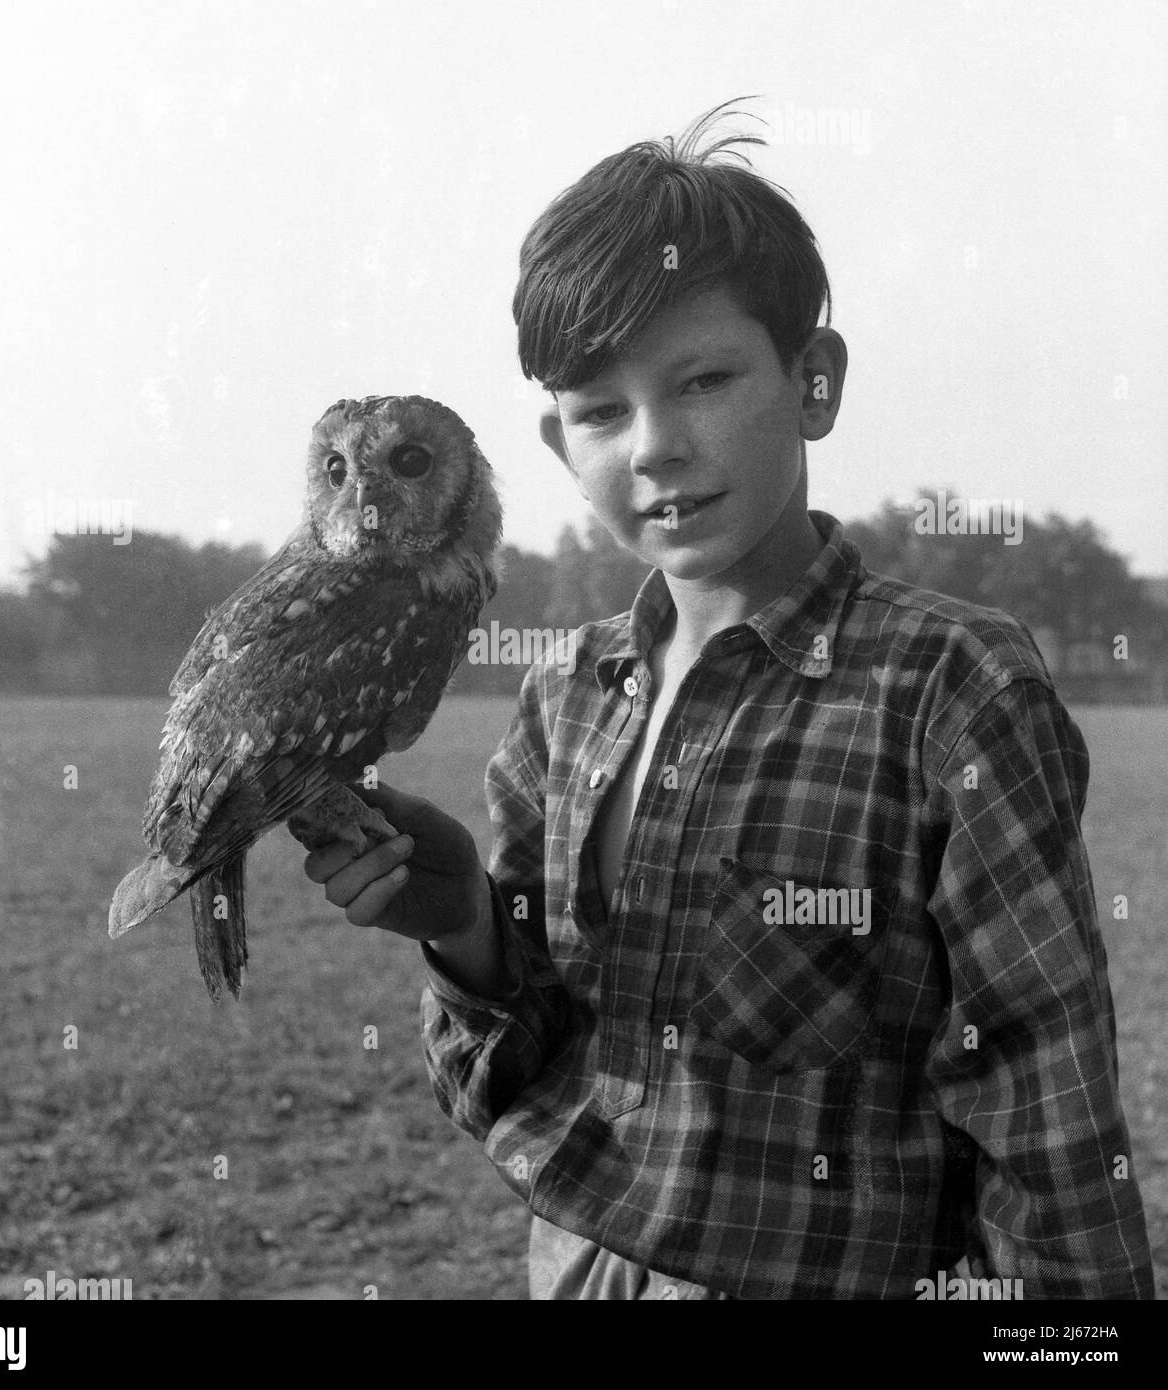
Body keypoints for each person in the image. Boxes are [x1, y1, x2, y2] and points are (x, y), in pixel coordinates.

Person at [297, 104, 1154, 1299]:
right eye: (601, 409)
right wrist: (468, 931)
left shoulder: (950, 687)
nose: (653, 446)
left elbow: (1043, 1109)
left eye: (702, 380)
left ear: (815, 381)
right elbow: (526, 1067)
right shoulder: (566, 692)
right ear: (557, 441)